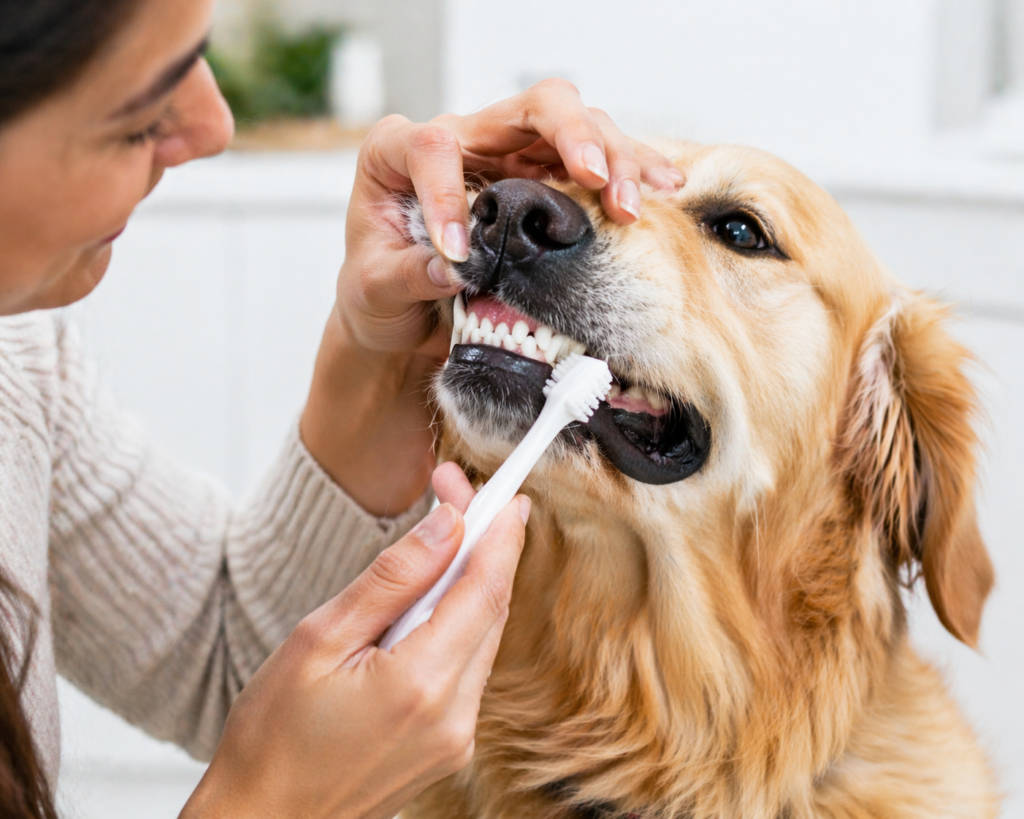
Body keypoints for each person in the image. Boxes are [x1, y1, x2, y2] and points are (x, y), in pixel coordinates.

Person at [0, 0, 684, 816]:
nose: (215, 127)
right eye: (138, 109)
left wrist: (387, 343)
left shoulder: (19, 361)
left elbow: (230, 663)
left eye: (198, 56)